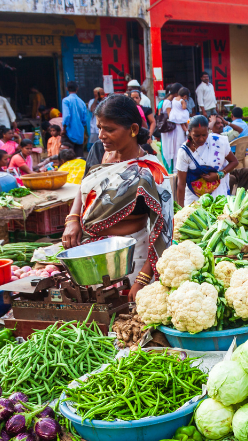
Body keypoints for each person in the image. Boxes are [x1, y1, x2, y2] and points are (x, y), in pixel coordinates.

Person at [62, 94, 171, 299]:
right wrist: (73, 219)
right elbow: (84, 186)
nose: (101, 135)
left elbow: (163, 231)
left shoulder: (150, 172)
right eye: (99, 128)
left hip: (130, 258)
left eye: (109, 129)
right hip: (89, 254)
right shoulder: (97, 151)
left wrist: (143, 279)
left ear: (133, 129)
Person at [174, 115, 236, 207]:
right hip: (194, 198)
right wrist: (181, 209)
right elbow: (181, 183)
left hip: (217, 195)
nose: (201, 138)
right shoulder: (184, 152)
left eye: (204, 135)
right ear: (189, 132)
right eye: (196, 135)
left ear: (208, 131)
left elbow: (234, 162)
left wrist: (219, 175)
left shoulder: (218, 142)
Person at [161, 86, 190, 172]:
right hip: (180, 121)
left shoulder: (173, 100)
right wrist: (185, 103)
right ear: (185, 96)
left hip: (176, 119)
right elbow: (184, 108)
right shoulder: (181, 101)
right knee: (180, 144)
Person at [62, 81, 92, 157]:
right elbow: (84, 120)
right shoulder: (81, 102)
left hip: (69, 132)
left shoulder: (66, 100)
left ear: (67, 89)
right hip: (79, 132)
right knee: (79, 154)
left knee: (67, 155)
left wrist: (64, 129)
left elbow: (66, 116)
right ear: (77, 89)